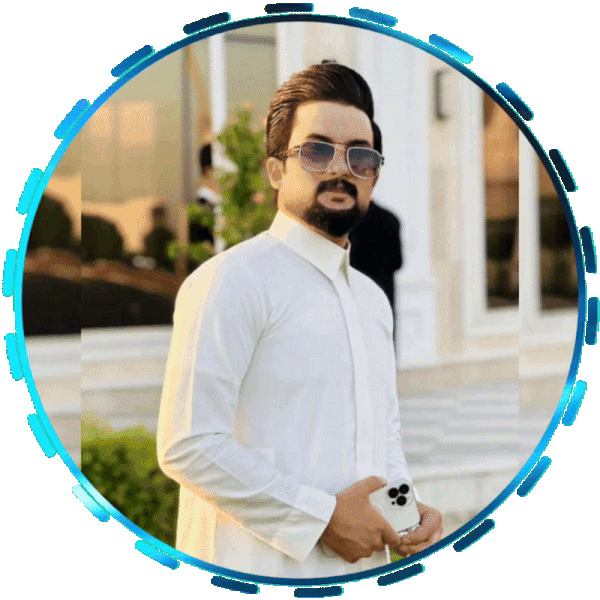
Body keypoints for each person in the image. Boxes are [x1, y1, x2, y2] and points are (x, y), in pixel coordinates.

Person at [157, 62, 443, 579]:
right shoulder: (232, 281)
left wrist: (406, 517)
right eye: (316, 151)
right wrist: (320, 518)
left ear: (374, 176)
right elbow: (188, 444)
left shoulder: (371, 301)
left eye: (360, 155)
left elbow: (383, 437)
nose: (341, 169)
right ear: (275, 170)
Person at [348, 124, 403, 350]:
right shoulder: (390, 220)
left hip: (355, 301)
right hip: (384, 296)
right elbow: (398, 262)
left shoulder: (347, 222)